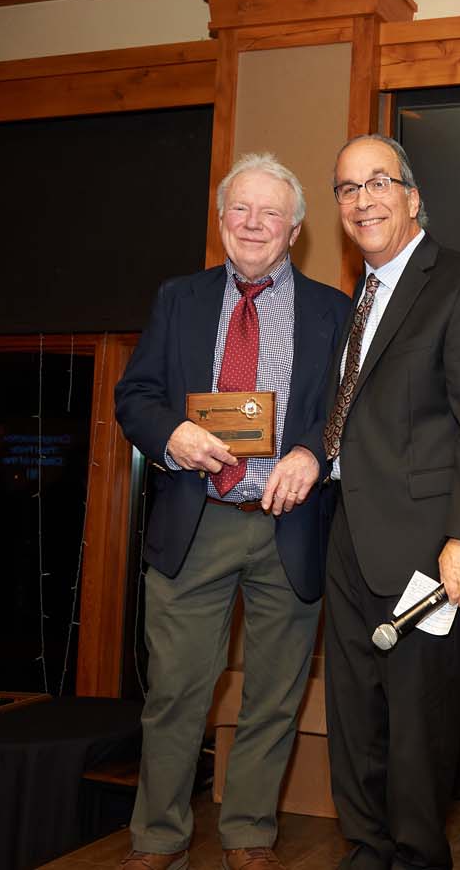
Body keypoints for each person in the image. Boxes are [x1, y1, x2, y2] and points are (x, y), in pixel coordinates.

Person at [115, 153, 349, 870]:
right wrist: (170, 435)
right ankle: (157, 838)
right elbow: (136, 398)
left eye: (269, 212)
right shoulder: (178, 299)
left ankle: (248, 833)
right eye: (240, 210)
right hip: (198, 520)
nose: (253, 224)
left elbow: (346, 410)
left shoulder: (334, 312)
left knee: (275, 697)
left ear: (297, 228)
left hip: (291, 526)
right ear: (222, 222)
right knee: (177, 693)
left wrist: (312, 452)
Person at [321, 133, 460, 870]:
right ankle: (368, 850)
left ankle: (415, 857)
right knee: (354, 713)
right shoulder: (360, 298)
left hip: (429, 546)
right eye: (347, 188)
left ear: (412, 195)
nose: (362, 199)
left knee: (418, 724)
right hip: (348, 535)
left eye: (378, 182)